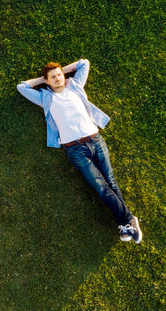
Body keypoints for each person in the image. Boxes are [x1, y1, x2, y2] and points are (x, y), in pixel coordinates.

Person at [17, 58, 142, 243]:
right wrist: (41, 80)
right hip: (74, 150)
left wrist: (63, 70)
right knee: (101, 187)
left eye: (59, 75)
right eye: (53, 77)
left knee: (110, 180)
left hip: (95, 140)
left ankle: (127, 224)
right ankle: (129, 220)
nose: (58, 78)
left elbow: (84, 63)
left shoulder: (74, 86)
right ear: (47, 81)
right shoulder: (45, 98)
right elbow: (22, 87)